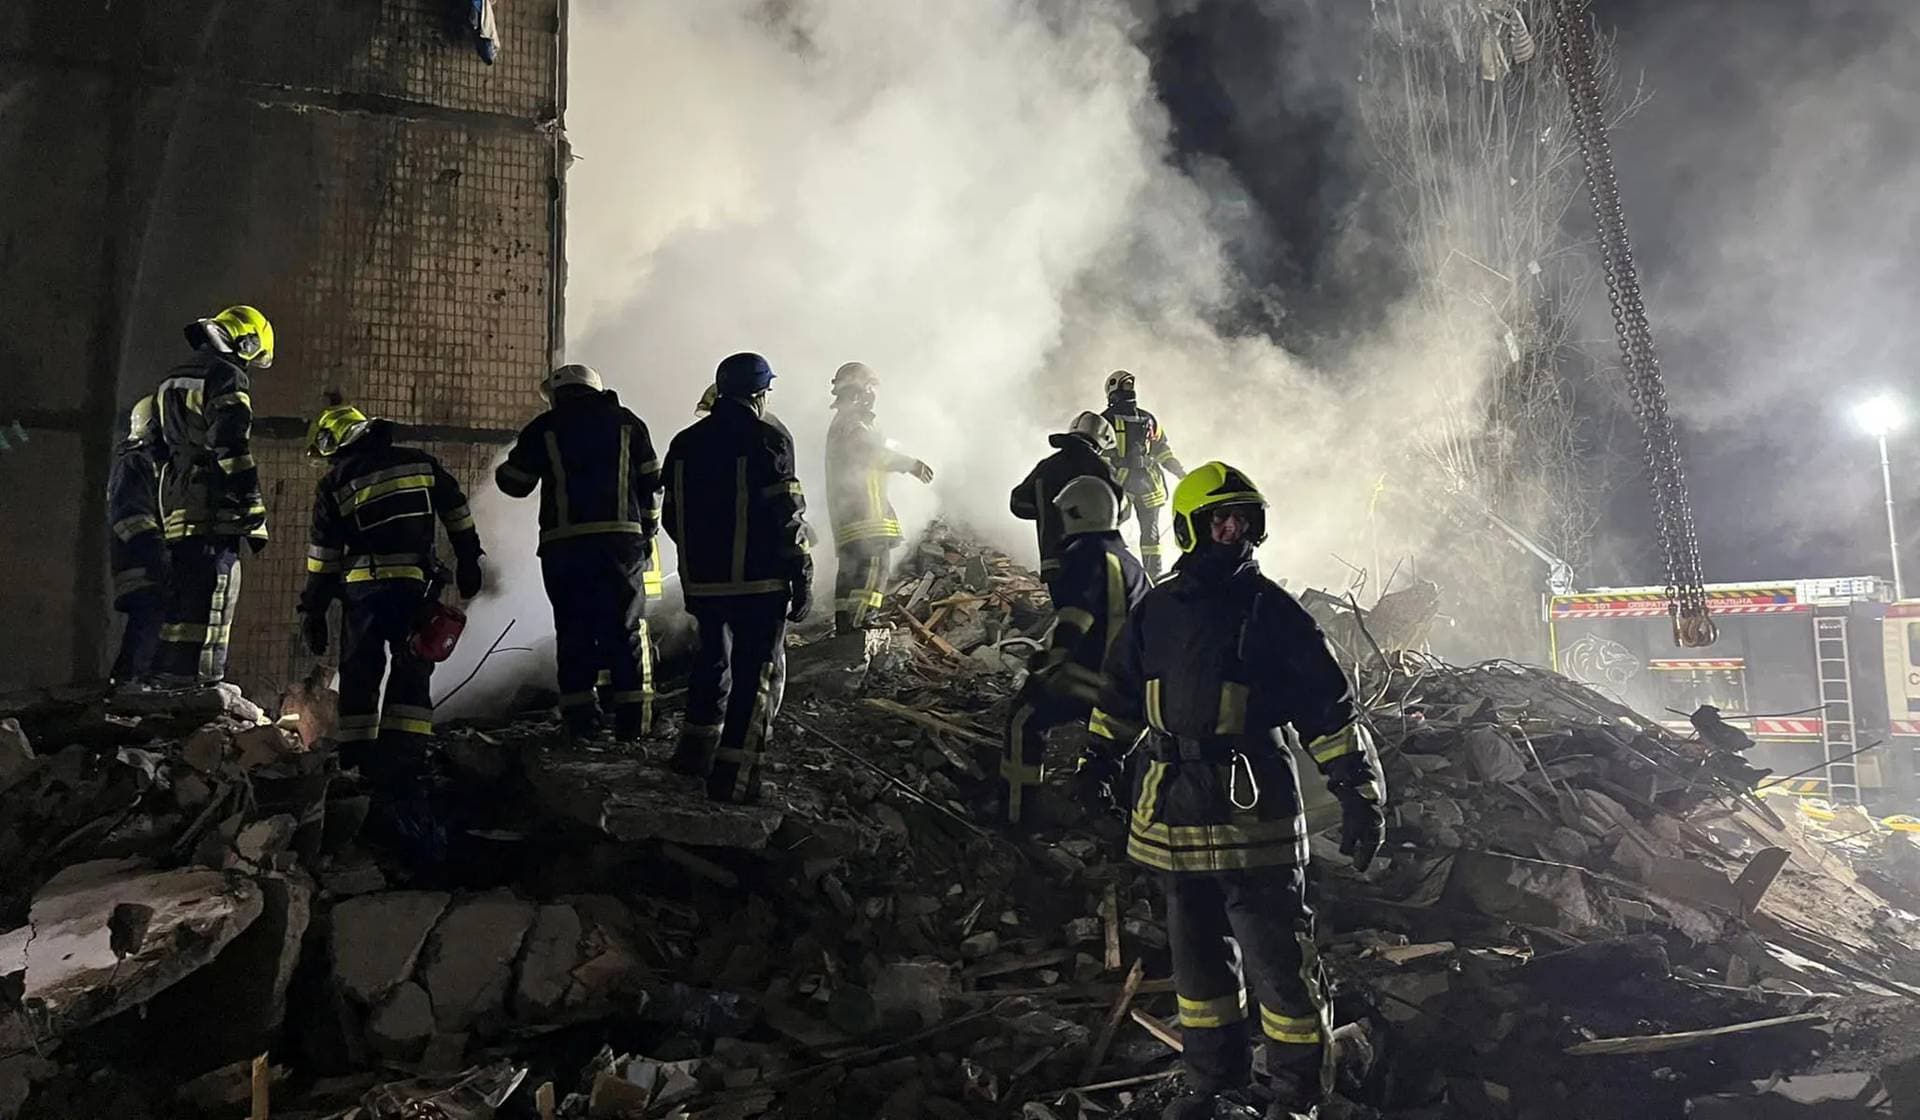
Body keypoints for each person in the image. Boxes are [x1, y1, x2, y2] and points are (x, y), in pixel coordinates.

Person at [1075, 462, 1387, 1120]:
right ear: (1190, 527)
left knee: (1278, 960)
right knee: (1197, 966)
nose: (1231, 529)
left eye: (1242, 518)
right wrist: (1097, 760)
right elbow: (1121, 694)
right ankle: (1213, 1081)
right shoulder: (1156, 610)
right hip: (1175, 808)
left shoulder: (1274, 612)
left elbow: (1328, 711)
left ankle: (1297, 1094)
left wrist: (1358, 792)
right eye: (1219, 518)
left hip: (1254, 809)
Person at [300, 405, 484, 781]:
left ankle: (356, 762)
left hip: (364, 596)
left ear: (334, 443)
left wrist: (313, 610)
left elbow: (324, 559)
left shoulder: (335, 483)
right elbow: (457, 511)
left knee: (360, 676)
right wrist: (468, 559)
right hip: (416, 590)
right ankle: (404, 761)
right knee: (412, 670)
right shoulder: (420, 463)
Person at [661, 352, 813, 802]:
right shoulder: (768, 438)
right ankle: (736, 778)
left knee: (712, 664)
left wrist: (702, 559)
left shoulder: (685, 442)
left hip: (703, 583)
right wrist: (801, 572)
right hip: (758, 584)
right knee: (755, 676)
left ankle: (694, 756)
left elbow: (672, 516)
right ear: (761, 393)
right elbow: (787, 513)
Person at [497, 364, 662, 741]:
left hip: (564, 546)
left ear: (558, 394)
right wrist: (647, 531)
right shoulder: (628, 423)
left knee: (573, 630)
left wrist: (506, 469)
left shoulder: (545, 427)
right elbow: (652, 483)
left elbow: (516, 484)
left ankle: (581, 722)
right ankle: (635, 723)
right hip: (620, 545)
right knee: (626, 627)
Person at [1000, 475, 1147, 826]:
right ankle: (1111, 811)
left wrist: (1055, 659)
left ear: (1080, 514)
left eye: (1065, 515)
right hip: (1139, 690)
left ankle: (1017, 814)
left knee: (1025, 717)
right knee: (1112, 758)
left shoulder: (1087, 554)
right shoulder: (1130, 563)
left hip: (1101, 682)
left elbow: (1077, 615)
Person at [151, 306, 274, 687]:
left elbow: (159, 448)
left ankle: (169, 677)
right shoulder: (227, 375)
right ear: (246, 342)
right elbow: (231, 448)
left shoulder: (171, 378)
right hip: (213, 506)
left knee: (181, 600)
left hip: (177, 503)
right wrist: (251, 510)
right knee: (216, 596)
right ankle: (204, 683)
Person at [824, 362, 932, 634]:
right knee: (873, 567)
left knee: (851, 572)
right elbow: (870, 453)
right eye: (869, 387)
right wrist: (910, 464)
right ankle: (861, 623)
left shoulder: (844, 423)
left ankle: (847, 625)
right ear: (858, 390)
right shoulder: (853, 423)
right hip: (866, 514)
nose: (873, 393)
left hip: (852, 513)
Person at [1009, 411, 1127, 601]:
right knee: (1094, 613)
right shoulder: (1100, 468)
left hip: (1052, 561)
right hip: (1093, 559)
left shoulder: (1047, 466)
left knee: (1067, 611)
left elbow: (1018, 504)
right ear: (1102, 440)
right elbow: (1121, 510)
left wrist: (1049, 511)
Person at [1099, 370, 1187, 581]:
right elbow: (1162, 450)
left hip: (1121, 485)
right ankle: (1151, 577)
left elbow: (1099, 453)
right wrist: (1179, 472)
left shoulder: (1105, 419)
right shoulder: (1148, 418)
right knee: (1150, 536)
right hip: (1147, 484)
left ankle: (1114, 575)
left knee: (1111, 529)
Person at [107, 396, 166, 686]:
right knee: (147, 628)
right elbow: (131, 518)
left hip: (150, 567)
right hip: (143, 568)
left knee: (149, 631)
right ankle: (127, 689)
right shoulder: (136, 463)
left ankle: (129, 689)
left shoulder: (154, 463)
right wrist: (162, 554)